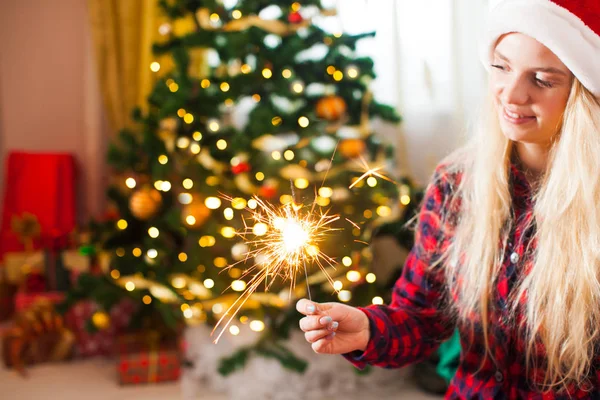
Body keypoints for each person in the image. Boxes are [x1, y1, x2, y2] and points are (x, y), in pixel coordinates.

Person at [297, 1, 600, 398]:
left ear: (584, 91)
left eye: (541, 79)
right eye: (502, 67)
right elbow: (421, 318)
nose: (511, 94)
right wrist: (367, 330)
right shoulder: (455, 185)